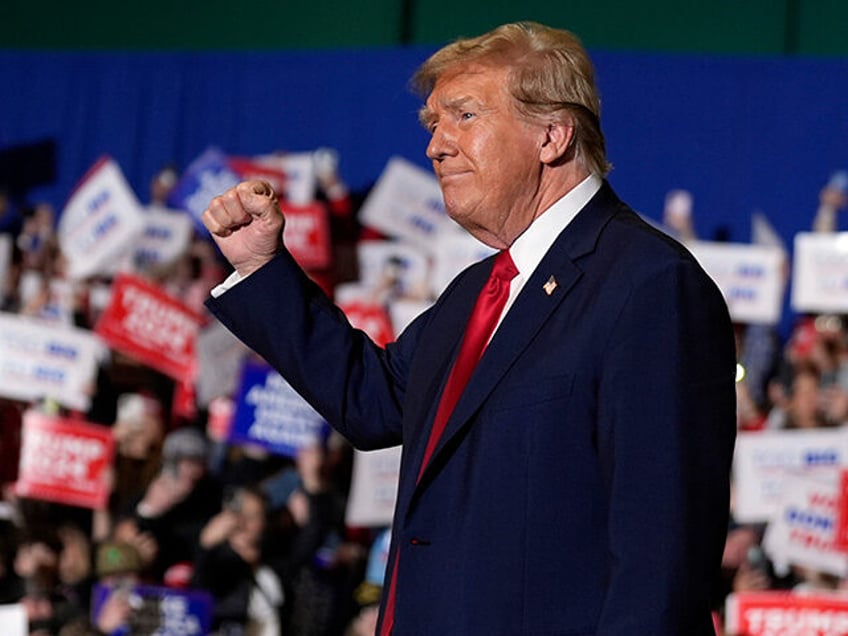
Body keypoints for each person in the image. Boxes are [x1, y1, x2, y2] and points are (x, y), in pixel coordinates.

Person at [202, 21, 736, 635]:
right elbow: (372, 401)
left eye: (464, 115)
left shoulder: (648, 286)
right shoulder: (475, 293)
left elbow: (659, 555)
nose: (436, 145)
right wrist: (263, 268)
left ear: (552, 136)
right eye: (433, 123)